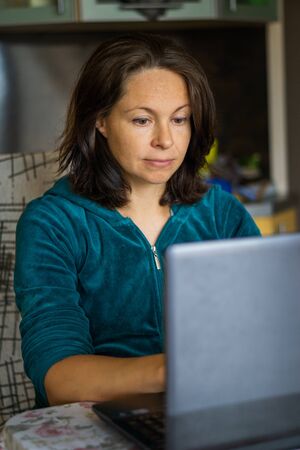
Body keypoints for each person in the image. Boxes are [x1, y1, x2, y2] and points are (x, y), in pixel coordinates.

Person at [14, 33, 261, 408]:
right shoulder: (52, 223)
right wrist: (174, 371)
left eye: (180, 119)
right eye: (143, 120)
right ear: (101, 121)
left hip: (215, 412)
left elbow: (266, 332)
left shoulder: (222, 213)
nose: (166, 140)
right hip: (100, 422)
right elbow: (59, 377)